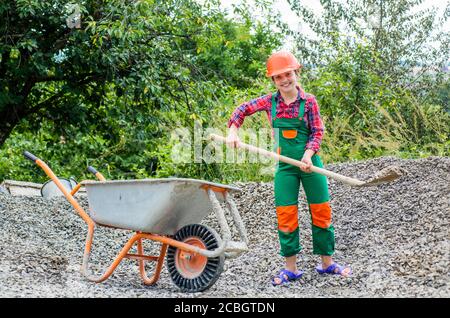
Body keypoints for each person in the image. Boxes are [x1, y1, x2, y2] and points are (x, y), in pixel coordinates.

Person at [226, 51, 351, 286]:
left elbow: (317, 131)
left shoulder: (309, 101)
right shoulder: (269, 102)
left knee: (321, 211)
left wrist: (308, 155)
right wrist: (233, 130)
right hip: (285, 168)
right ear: (273, 81)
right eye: (279, 77)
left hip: (311, 165)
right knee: (286, 216)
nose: (285, 80)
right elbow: (242, 110)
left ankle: (327, 264)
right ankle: (290, 269)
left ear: (296, 73)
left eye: (288, 74)